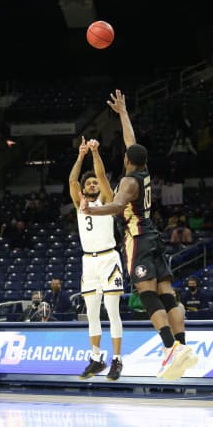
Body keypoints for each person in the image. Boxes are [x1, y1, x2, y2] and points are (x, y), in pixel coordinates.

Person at [80, 89, 197, 381]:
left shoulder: (129, 182)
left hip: (139, 239)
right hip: (154, 236)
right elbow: (131, 142)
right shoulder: (143, 170)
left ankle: (170, 348)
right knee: (166, 294)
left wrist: (90, 210)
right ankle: (182, 347)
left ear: (127, 161)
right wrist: (123, 113)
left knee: (146, 295)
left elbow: (118, 205)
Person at [69, 137, 124, 380]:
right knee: (92, 313)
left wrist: (94, 153)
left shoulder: (106, 199)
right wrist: (80, 156)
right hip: (88, 262)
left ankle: (117, 360)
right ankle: (96, 358)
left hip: (109, 259)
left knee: (112, 311)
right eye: (88, 183)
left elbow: (102, 176)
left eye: (94, 183)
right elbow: (72, 180)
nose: (93, 184)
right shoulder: (79, 203)